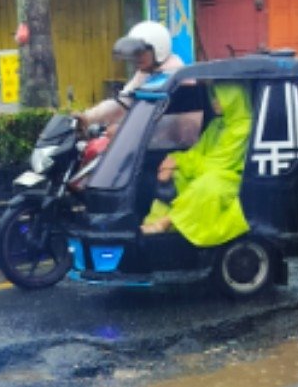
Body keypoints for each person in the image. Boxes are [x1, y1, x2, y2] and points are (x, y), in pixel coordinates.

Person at [140, 82, 252, 246]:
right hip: (212, 172)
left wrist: (179, 161)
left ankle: (167, 222)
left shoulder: (243, 128)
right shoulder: (217, 124)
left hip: (235, 181)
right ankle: (152, 225)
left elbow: (217, 165)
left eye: (219, 97)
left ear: (232, 98)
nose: (214, 101)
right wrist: (173, 162)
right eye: (212, 96)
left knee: (207, 185)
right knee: (177, 176)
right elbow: (197, 153)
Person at [78, 20, 185, 133]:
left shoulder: (176, 77)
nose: (137, 58)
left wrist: (125, 130)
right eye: (135, 53)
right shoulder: (146, 74)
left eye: (141, 53)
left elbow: (173, 121)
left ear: (158, 49)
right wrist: (87, 117)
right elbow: (122, 102)